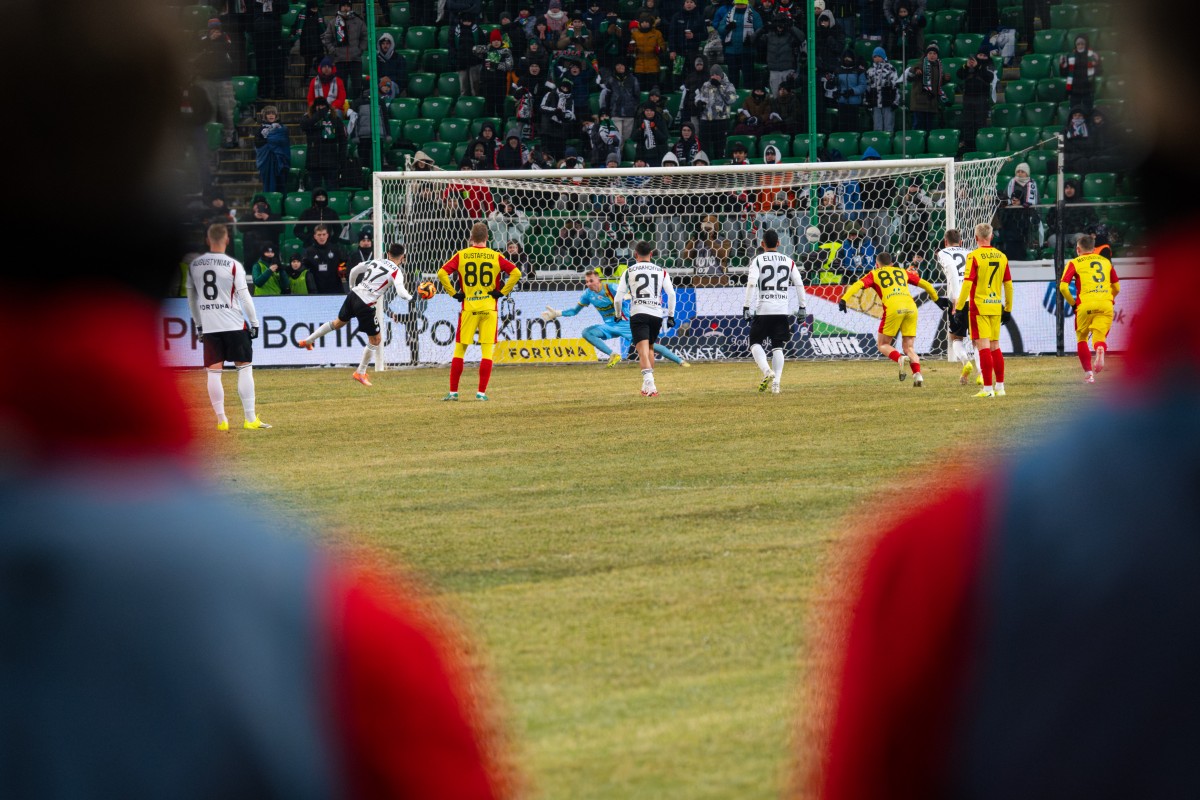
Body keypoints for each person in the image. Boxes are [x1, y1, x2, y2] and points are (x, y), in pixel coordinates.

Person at [813, 5, 1200, 795]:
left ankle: (972, 372)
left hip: (962, 315)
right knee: (975, 343)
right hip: (979, 308)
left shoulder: (950, 559)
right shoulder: (1020, 262)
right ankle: (972, 369)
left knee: (964, 344)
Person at [187, 223, 269, 430]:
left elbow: (192, 299)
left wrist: (199, 326)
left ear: (208, 240)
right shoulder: (233, 265)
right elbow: (244, 296)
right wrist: (254, 322)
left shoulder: (194, 266)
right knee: (245, 368)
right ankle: (250, 419)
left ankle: (221, 421)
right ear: (227, 240)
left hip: (210, 326)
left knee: (213, 373)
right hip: (234, 324)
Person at [299, 243, 412, 387]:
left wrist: (352, 287)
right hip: (366, 303)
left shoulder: (376, 261)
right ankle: (360, 372)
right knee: (376, 339)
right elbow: (401, 292)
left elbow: (354, 269)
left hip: (353, 295)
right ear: (402, 257)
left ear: (388, 254)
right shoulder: (396, 271)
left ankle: (308, 340)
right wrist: (412, 297)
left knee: (337, 323)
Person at [436, 222, 523, 401]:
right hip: (489, 308)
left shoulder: (462, 255)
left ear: (471, 238)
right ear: (487, 238)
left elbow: (441, 273)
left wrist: (454, 293)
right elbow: (516, 273)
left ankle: (453, 392)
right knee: (487, 352)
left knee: (460, 350)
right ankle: (481, 393)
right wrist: (502, 292)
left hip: (469, 308)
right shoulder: (495, 256)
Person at [839, 250, 948, 386]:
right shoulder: (902, 272)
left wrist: (844, 299)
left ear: (877, 265)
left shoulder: (874, 273)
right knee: (909, 347)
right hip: (911, 308)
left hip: (893, 307)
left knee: (883, 344)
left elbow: (857, 285)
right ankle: (917, 375)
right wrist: (936, 299)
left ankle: (899, 358)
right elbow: (925, 284)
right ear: (892, 263)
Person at [540, 269, 690, 369]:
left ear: (598, 280)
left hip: (625, 324)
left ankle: (680, 361)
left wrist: (627, 296)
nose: (588, 284)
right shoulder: (587, 294)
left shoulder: (610, 287)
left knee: (650, 346)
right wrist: (557, 313)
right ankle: (613, 355)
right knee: (587, 332)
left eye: (591, 281)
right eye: (586, 282)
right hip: (609, 326)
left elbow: (628, 293)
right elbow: (574, 311)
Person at [743, 229, 808, 394]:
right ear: (779, 243)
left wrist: (746, 306)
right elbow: (799, 283)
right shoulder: (789, 261)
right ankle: (776, 384)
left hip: (763, 309)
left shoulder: (758, 260)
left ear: (762, 244)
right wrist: (802, 307)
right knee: (777, 346)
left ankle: (767, 371)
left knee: (755, 342)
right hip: (781, 310)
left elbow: (751, 283)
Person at [953, 222, 1012, 398]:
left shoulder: (974, 256)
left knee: (983, 347)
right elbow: (1008, 285)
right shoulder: (1002, 256)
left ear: (976, 238)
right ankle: (1000, 387)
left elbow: (967, 284)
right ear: (991, 236)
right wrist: (1008, 308)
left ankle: (987, 389)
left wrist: (960, 307)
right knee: (995, 346)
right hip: (995, 306)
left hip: (979, 307)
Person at [614, 240, 677, 397]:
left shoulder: (629, 271)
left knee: (642, 350)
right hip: (656, 314)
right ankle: (646, 386)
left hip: (639, 313)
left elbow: (618, 298)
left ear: (635, 254)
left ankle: (652, 386)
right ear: (651, 254)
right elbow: (671, 294)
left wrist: (618, 314)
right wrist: (670, 315)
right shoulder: (661, 271)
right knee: (649, 348)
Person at [1059, 233, 1119, 384]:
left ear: (1078, 249)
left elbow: (1063, 287)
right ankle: (1099, 348)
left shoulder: (1074, 262)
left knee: (1082, 339)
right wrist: (1110, 298)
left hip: (1085, 304)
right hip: (1105, 304)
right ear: (1093, 249)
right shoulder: (1106, 262)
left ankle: (1089, 375)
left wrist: (1073, 304)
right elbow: (1117, 287)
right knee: (1099, 337)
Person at [936, 228, 983, 385]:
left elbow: (952, 272)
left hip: (959, 300)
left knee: (956, 338)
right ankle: (981, 374)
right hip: (975, 298)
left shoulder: (943, 253)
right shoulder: (970, 252)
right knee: (977, 339)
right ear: (961, 242)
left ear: (945, 242)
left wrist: (956, 299)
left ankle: (965, 361)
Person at [192, 18, 238, 148]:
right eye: (212, 28)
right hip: (207, 81)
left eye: (217, 27)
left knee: (227, 111)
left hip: (224, 80)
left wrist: (220, 39)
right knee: (209, 112)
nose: (215, 30)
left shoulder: (225, 37)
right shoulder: (203, 38)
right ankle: (211, 139)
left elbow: (233, 50)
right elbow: (195, 51)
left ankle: (229, 137)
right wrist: (209, 40)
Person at [713, 0, 763, 89]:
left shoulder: (754, 15)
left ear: (746, 4)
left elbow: (760, 30)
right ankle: (732, 96)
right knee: (732, 79)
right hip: (731, 51)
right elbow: (720, 29)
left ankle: (748, 96)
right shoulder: (729, 14)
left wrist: (752, 38)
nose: (739, 6)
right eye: (738, 4)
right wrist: (727, 27)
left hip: (747, 51)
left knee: (748, 79)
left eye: (741, 4)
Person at [323, 2, 367, 101]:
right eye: (343, 6)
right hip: (340, 60)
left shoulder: (358, 21)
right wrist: (333, 51)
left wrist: (360, 50)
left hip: (355, 59)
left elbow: (364, 36)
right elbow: (327, 39)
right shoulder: (333, 22)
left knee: (357, 86)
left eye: (348, 6)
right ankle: (342, 106)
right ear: (340, 7)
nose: (346, 8)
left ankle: (357, 106)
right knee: (341, 87)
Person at [696, 64, 737, 163]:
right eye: (712, 75)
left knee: (719, 148)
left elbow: (731, 100)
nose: (714, 77)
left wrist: (719, 87)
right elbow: (699, 96)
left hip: (721, 120)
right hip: (706, 120)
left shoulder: (729, 85)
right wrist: (698, 102)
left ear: (721, 75)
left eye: (716, 75)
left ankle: (719, 166)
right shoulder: (706, 84)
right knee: (704, 148)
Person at [905, 42, 946, 131]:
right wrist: (916, 70)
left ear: (937, 55)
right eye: (930, 53)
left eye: (934, 53)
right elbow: (910, 76)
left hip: (931, 103)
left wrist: (945, 79)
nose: (932, 55)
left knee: (929, 128)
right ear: (926, 54)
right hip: (919, 103)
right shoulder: (920, 64)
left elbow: (938, 84)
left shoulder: (939, 66)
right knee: (918, 126)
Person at [1001, 162, 1038, 261]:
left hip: (1025, 217)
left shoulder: (1032, 184)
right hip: (1011, 217)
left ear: (1027, 173)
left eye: (1022, 171)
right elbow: (1005, 197)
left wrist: (1022, 203)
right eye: (1018, 171)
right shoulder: (1011, 183)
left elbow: (1036, 201)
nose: (1020, 173)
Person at [249, 0, 285, 99]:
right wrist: (252, 31)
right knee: (261, 65)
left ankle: (279, 92)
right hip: (259, 35)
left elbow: (285, 8)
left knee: (277, 65)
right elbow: (249, 13)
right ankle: (264, 92)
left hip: (274, 34)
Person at [599, 62, 641, 145]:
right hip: (615, 114)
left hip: (629, 114)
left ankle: (625, 153)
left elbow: (637, 96)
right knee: (617, 139)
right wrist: (607, 110)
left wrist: (634, 108)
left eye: (622, 65)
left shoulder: (633, 79)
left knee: (626, 139)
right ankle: (617, 154)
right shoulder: (610, 79)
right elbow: (606, 96)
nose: (620, 67)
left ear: (625, 66)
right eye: (617, 65)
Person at [1059, 34, 1101, 115]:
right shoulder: (1070, 56)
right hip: (1074, 90)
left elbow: (1099, 72)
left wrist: (1097, 62)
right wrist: (1062, 65)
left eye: (1082, 44)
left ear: (1086, 44)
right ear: (1075, 45)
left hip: (1088, 89)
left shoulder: (1092, 56)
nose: (1080, 46)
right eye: (1078, 44)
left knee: (1088, 112)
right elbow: (1064, 74)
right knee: (1074, 112)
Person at [253, 104, 290, 194]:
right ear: (264, 116)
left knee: (281, 183)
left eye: (273, 113)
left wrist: (270, 139)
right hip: (267, 160)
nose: (271, 115)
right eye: (268, 113)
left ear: (276, 115)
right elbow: (258, 144)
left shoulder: (282, 128)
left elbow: (284, 141)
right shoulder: (260, 129)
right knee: (269, 183)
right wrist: (271, 141)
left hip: (280, 160)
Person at [301, 223, 346, 294]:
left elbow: (343, 263)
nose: (321, 237)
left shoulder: (336, 249)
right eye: (319, 235)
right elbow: (304, 268)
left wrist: (342, 270)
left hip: (335, 288)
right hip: (316, 288)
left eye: (324, 234)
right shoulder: (309, 251)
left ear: (327, 235)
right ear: (315, 236)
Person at [291, 0, 328, 84]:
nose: (315, 10)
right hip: (306, 42)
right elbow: (296, 25)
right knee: (308, 62)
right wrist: (293, 34)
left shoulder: (319, 14)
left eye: (316, 8)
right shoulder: (302, 14)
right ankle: (306, 78)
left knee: (321, 57)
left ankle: (318, 72)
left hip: (317, 41)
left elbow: (323, 27)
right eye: (313, 8)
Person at [450, 10, 485, 98]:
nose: (467, 23)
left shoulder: (477, 30)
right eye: (465, 21)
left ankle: (475, 103)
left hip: (475, 62)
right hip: (461, 62)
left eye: (468, 21)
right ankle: (464, 104)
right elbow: (451, 45)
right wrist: (455, 57)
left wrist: (479, 57)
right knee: (463, 88)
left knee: (475, 87)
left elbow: (483, 44)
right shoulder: (455, 30)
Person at [864, 47, 900, 133]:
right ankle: (878, 140)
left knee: (889, 126)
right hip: (875, 103)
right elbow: (867, 88)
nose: (877, 58)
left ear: (883, 57)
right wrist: (866, 101)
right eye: (875, 56)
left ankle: (889, 140)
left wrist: (896, 102)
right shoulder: (870, 71)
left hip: (888, 102)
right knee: (877, 126)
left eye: (879, 56)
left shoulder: (891, 69)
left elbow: (895, 86)